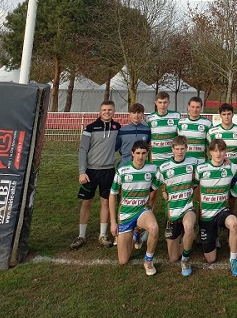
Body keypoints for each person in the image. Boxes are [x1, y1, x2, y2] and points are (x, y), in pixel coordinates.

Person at [70, 100, 121, 250]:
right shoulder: (90, 128)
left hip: (109, 171)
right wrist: (82, 172)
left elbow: (119, 145)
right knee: (87, 202)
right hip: (90, 172)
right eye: (104, 109)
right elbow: (82, 150)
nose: (107, 112)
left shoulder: (117, 127)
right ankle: (81, 235)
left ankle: (103, 235)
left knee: (106, 202)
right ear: (100, 111)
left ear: (114, 111)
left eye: (110, 110)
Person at [109, 140, 160, 276]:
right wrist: (113, 222)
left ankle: (148, 260)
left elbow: (163, 178)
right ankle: (135, 233)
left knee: (154, 228)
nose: (140, 156)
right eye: (137, 153)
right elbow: (112, 195)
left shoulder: (153, 168)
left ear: (147, 154)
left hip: (142, 211)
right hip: (125, 215)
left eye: (143, 153)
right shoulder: (122, 170)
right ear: (132, 153)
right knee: (123, 260)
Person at [194, 138, 237, 276]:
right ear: (210, 152)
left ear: (225, 152)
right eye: (215, 150)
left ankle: (233, 259)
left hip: (222, 211)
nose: (218, 154)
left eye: (221, 150)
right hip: (207, 215)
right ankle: (213, 237)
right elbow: (193, 186)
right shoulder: (201, 169)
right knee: (210, 259)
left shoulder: (231, 167)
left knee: (233, 223)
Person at [156, 135, 198, 276]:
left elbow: (204, 175)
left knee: (188, 226)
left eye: (182, 149)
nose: (180, 152)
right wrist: (163, 190)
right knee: (173, 258)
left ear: (187, 148)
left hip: (188, 207)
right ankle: (188, 237)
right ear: (172, 149)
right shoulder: (164, 167)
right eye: (177, 149)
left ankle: (185, 259)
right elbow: (153, 186)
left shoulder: (193, 162)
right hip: (172, 211)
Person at [147, 91, 181, 167]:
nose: (162, 105)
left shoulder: (176, 116)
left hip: (172, 159)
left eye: (165, 102)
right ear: (156, 103)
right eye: (160, 102)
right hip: (155, 160)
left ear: (169, 102)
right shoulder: (149, 118)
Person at [115, 102, 151, 168]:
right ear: (130, 114)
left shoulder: (147, 131)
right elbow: (117, 148)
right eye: (134, 113)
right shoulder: (122, 131)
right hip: (124, 165)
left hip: (141, 166)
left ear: (142, 114)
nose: (136, 115)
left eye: (139, 113)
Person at [178, 96, 212, 162]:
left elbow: (212, 145)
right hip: (184, 162)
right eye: (192, 107)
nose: (195, 110)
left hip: (200, 162)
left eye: (197, 107)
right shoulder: (180, 123)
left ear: (201, 108)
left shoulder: (207, 123)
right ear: (188, 107)